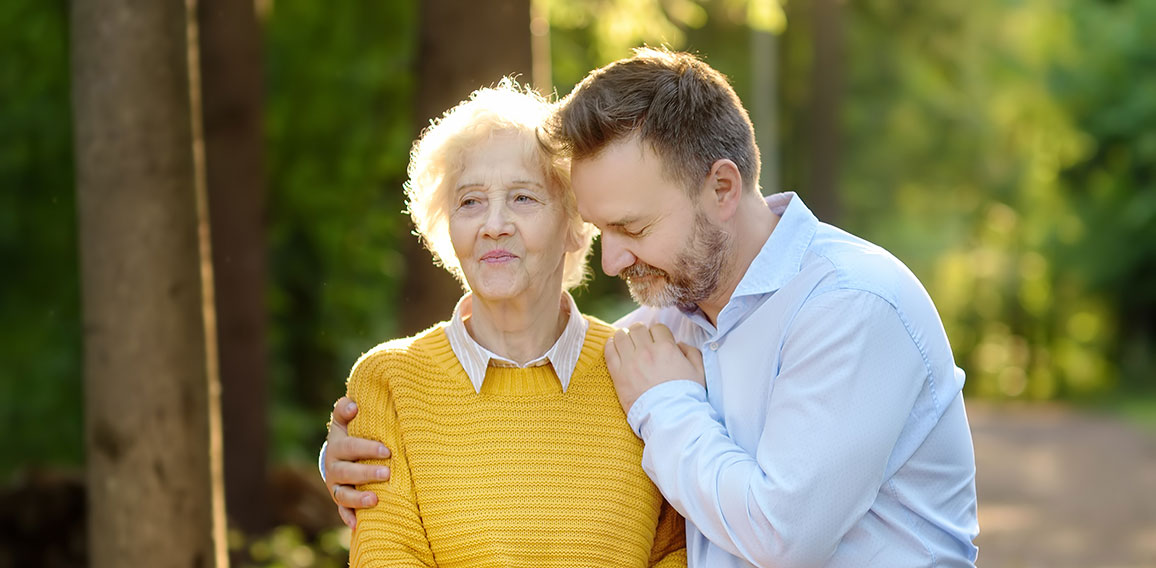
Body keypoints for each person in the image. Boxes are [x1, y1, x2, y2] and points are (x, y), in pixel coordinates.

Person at [326, 49, 979, 567]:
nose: (610, 263)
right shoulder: (659, 330)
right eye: (603, 231)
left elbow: (784, 538)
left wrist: (669, 406)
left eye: (632, 230)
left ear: (722, 187)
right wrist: (350, 458)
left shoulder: (850, 306)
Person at [328, 78, 686, 567]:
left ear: (576, 226)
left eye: (523, 198)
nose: (493, 223)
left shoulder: (641, 368)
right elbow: (388, 556)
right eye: (470, 201)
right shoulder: (390, 382)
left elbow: (679, 552)